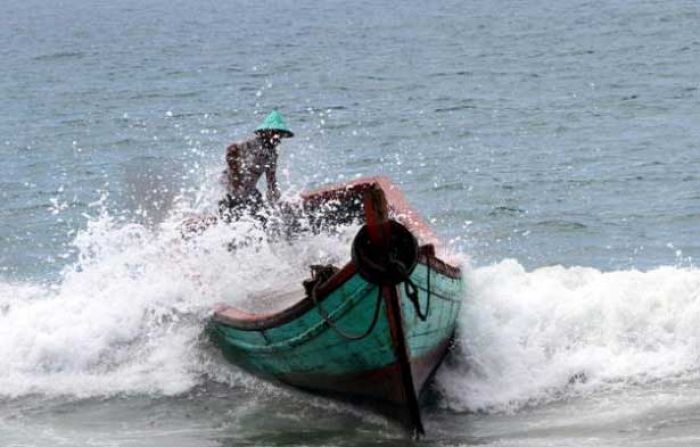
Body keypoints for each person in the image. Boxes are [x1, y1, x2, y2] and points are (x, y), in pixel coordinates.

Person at [219, 110, 294, 221]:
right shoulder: (253, 144)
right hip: (232, 181)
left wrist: (275, 199)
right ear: (266, 132)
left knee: (260, 212)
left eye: (280, 134)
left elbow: (271, 178)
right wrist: (235, 177)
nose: (278, 136)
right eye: (275, 132)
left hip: (248, 188)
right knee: (235, 206)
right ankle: (225, 210)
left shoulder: (272, 154)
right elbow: (231, 150)